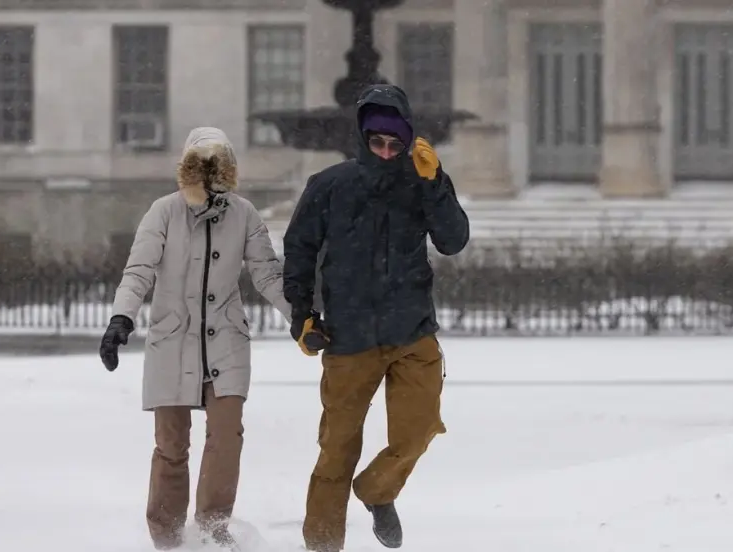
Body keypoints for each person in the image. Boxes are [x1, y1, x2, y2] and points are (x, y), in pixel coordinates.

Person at [282, 84, 470, 552]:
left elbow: (453, 241)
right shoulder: (330, 185)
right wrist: (302, 316)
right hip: (348, 337)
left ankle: (377, 490)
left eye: (394, 143)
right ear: (363, 139)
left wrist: (436, 184)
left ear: (407, 140)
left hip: (412, 332)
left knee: (419, 429)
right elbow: (299, 250)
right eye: (377, 142)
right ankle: (322, 545)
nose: (386, 152)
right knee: (337, 451)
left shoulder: (422, 182)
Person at [99, 127, 292, 551]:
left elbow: (267, 274)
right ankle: (167, 539)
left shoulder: (244, 214)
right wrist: (121, 317)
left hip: (226, 339)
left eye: (217, 163)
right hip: (172, 340)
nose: (209, 171)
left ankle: (212, 531)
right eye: (201, 163)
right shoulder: (163, 212)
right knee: (171, 444)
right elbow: (139, 270)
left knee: (226, 437)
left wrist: (301, 319)